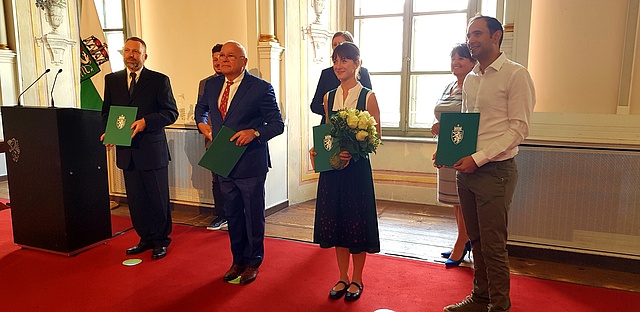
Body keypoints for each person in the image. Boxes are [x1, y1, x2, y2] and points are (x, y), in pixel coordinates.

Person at [443, 16, 535, 312]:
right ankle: (480, 298)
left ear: (497, 36)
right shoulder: (471, 78)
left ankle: (499, 306)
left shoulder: (515, 75)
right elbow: (469, 126)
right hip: (467, 172)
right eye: (469, 34)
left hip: (496, 172)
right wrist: (448, 151)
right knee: (477, 240)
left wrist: (478, 158)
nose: (471, 39)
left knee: (494, 245)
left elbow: (519, 129)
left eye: (477, 33)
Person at [194, 40, 284, 285]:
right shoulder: (211, 85)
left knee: (252, 215)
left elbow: (277, 124)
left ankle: (253, 262)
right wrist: (202, 125)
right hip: (223, 159)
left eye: (230, 56)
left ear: (244, 62)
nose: (223, 60)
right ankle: (237, 260)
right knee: (232, 214)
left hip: (250, 161)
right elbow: (200, 110)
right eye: (221, 55)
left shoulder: (260, 88)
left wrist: (254, 132)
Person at [312, 42, 381, 302]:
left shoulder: (367, 96)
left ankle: (358, 278)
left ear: (357, 64)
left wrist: (353, 151)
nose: (339, 66)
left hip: (356, 170)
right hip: (332, 170)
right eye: (336, 60)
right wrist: (318, 149)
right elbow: (328, 131)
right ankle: (342, 276)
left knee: (356, 222)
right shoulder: (329, 97)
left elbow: (376, 138)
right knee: (338, 222)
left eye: (345, 61)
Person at [100, 37, 178, 260]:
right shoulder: (112, 80)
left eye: (136, 51)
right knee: (136, 199)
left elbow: (171, 113)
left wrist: (146, 122)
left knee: (157, 198)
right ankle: (144, 238)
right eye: (127, 51)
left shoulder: (158, 80)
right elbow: (106, 112)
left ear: (145, 56)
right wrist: (107, 130)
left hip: (152, 151)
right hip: (127, 152)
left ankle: (161, 240)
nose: (131, 55)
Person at [431, 43, 476, 267]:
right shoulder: (450, 86)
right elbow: (444, 116)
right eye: (453, 58)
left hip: (463, 149)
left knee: (463, 200)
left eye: (462, 58)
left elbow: (471, 120)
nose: (456, 62)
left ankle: (462, 242)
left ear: (473, 62)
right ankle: (462, 238)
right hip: (447, 147)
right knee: (456, 202)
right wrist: (436, 126)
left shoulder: (474, 87)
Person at [196, 43, 228, 231]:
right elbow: (202, 109)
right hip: (212, 136)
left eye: (221, 58)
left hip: (233, 137)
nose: (218, 62)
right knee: (216, 179)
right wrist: (203, 126)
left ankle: (236, 214)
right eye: (214, 59)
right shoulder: (206, 83)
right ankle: (221, 215)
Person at [310, 31, 372, 125]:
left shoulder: (363, 74)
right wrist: (332, 112)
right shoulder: (326, 74)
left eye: (341, 44)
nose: (338, 47)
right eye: (335, 44)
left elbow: (367, 106)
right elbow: (315, 105)